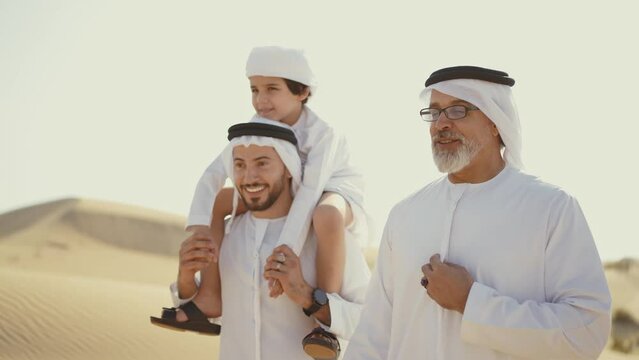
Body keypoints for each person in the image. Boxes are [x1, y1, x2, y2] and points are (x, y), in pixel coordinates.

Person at [344, 66, 611, 359]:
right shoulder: (405, 214)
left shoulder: (550, 208)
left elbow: (585, 334)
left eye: (458, 110)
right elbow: (372, 337)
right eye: (434, 112)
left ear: (496, 121)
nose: (440, 124)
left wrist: (471, 302)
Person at [169, 46, 366, 356]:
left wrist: (286, 254)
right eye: (254, 90)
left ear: (301, 91)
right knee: (220, 200)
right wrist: (196, 235)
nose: (261, 100)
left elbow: (310, 190)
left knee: (326, 214)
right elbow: (211, 176)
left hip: (330, 194)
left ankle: (324, 323)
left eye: (272, 89)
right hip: (291, 193)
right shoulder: (255, 128)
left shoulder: (323, 135)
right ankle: (206, 294)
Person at [152, 121, 371, 359]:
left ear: (288, 167)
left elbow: (371, 321)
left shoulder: (328, 238)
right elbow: (208, 310)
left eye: (262, 163)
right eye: (239, 165)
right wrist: (185, 277)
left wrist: (307, 296)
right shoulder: (225, 235)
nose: (249, 177)